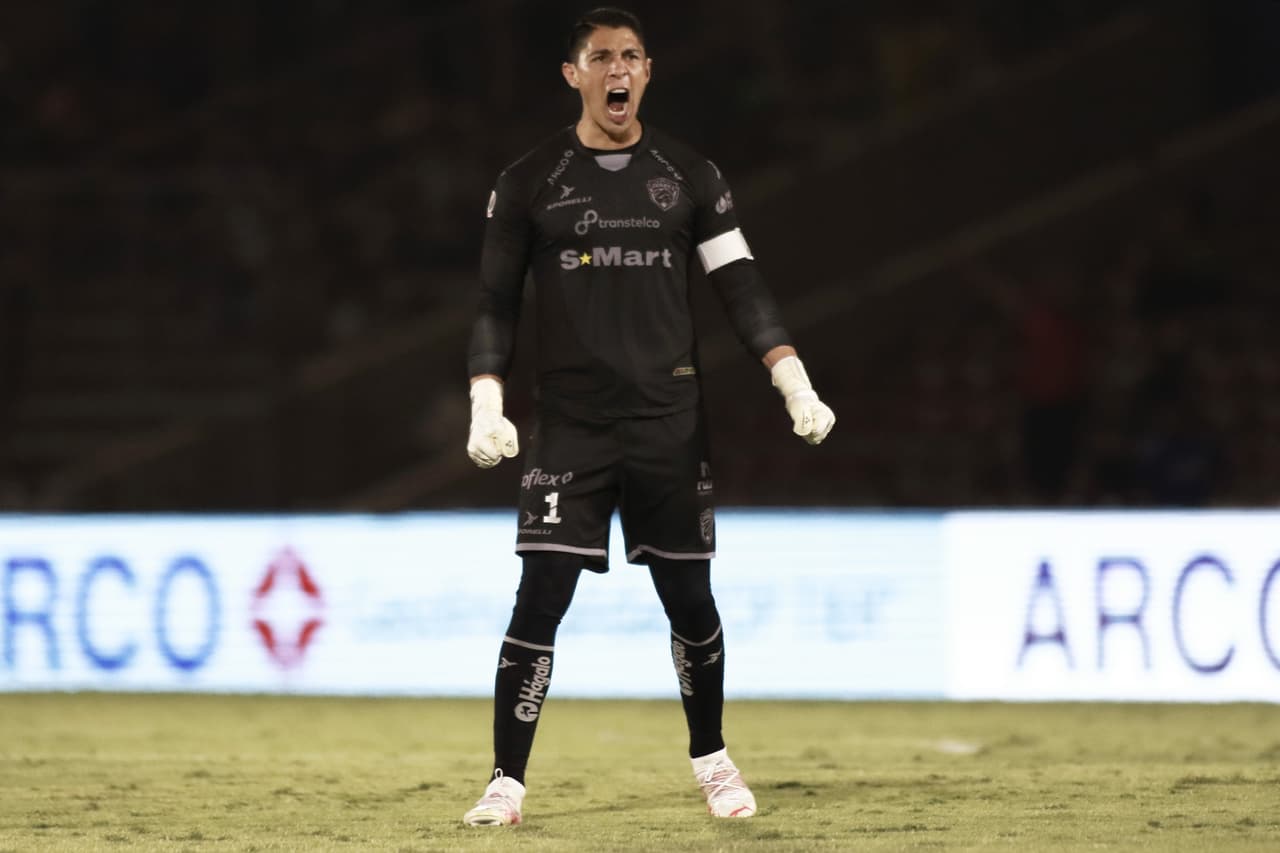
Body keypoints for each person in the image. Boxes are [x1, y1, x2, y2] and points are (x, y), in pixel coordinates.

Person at [462, 7, 835, 827]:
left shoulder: (690, 174)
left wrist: (794, 381)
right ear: (575, 75)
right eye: (601, 57)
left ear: (648, 70)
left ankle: (714, 761)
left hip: (669, 420)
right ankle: (505, 782)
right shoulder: (529, 180)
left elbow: (742, 287)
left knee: (690, 599)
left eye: (630, 55)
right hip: (571, 426)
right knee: (539, 596)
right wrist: (486, 398)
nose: (618, 69)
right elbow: (494, 302)